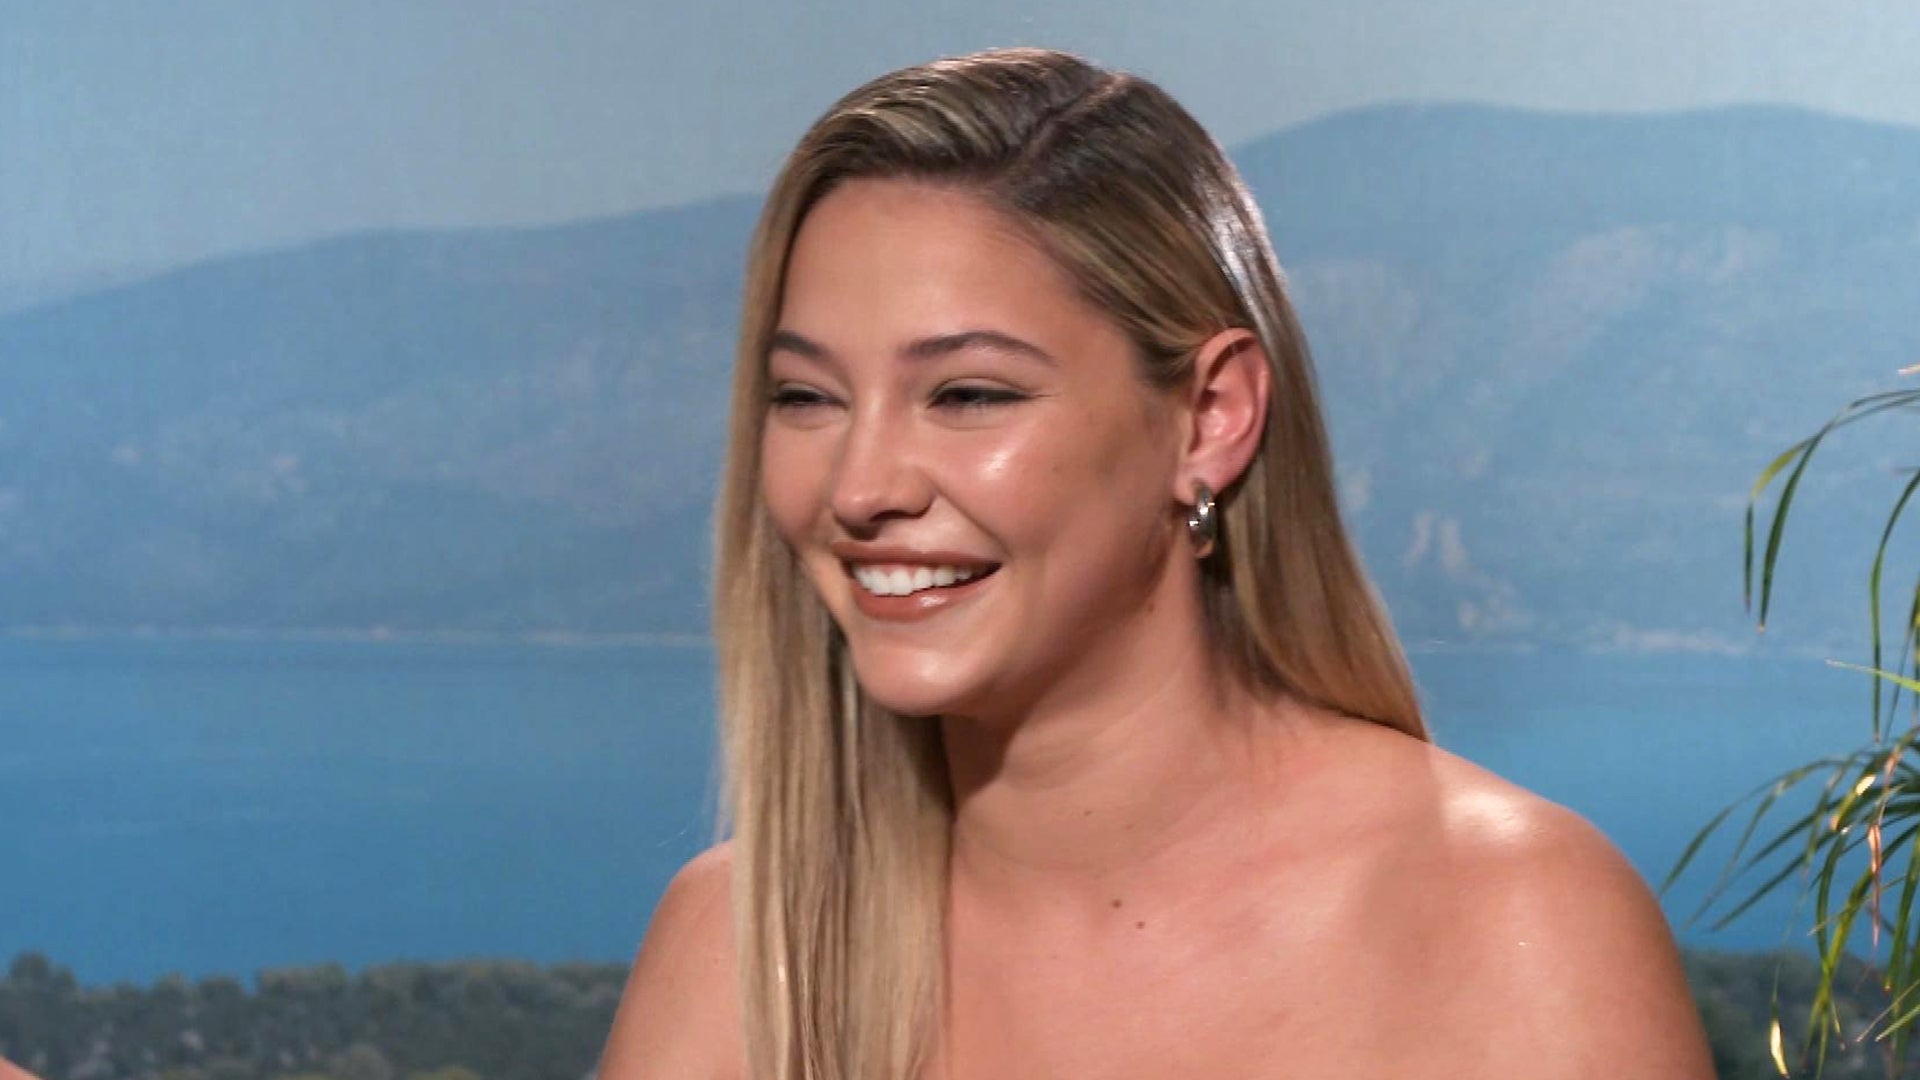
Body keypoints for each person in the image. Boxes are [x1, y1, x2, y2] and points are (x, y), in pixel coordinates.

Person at [598, 47, 1714, 1080]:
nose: (858, 487)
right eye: (806, 397)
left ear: (1209, 418)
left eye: (968, 394)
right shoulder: (737, 956)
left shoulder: (1508, 921)